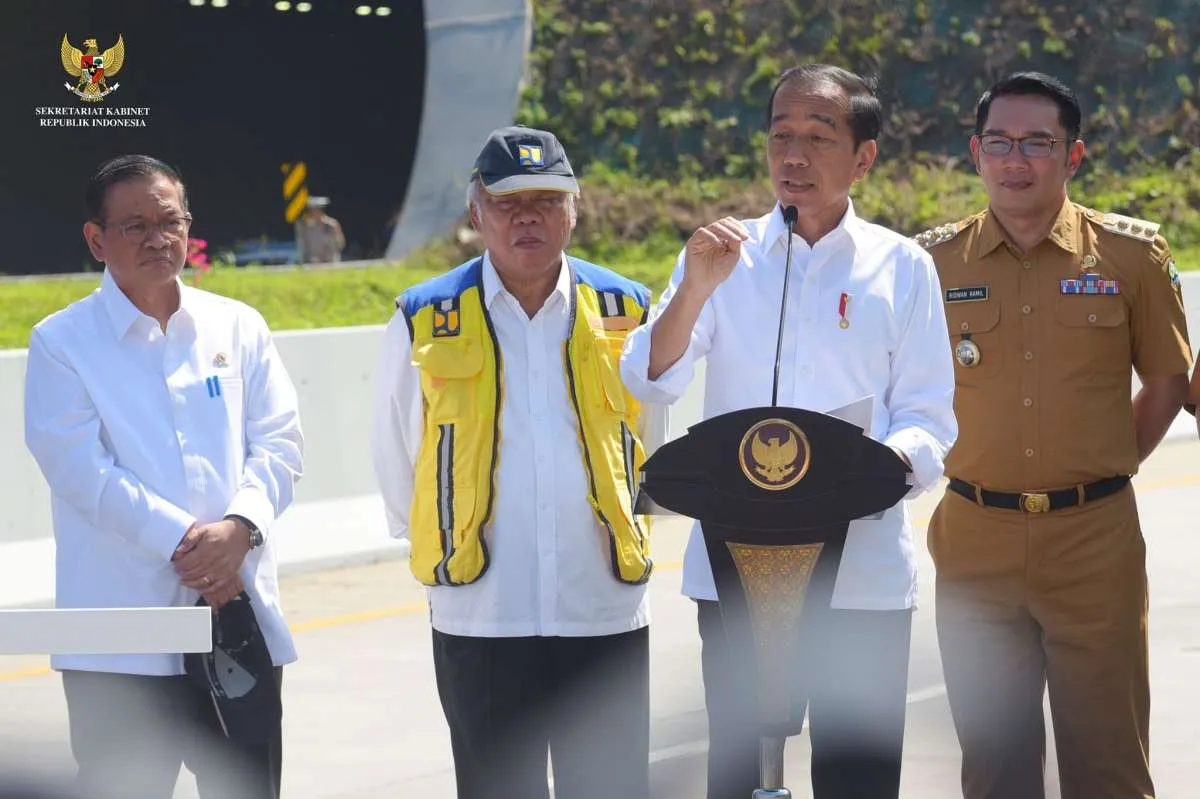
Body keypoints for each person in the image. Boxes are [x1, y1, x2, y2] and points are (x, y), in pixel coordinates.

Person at [620, 64, 958, 798]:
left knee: (858, 779)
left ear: (863, 157)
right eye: (781, 137)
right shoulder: (720, 253)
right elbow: (650, 378)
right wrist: (698, 289)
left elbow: (929, 417)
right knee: (736, 776)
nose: (793, 156)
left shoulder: (902, 268)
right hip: (739, 567)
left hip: (859, 575)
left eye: (817, 137)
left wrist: (863, 474)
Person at [915, 71, 1191, 799]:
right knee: (995, 768)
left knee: (1108, 764)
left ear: (1073, 156)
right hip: (975, 538)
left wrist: (1102, 471)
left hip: (1093, 543)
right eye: (1000, 142)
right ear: (975, 152)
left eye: (1038, 143)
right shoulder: (930, 265)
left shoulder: (1132, 257)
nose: (1016, 160)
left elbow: (1167, 380)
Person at [371, 125, 661, 799]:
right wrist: (442, 555)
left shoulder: (625, 308)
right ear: (476, 214)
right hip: (482, 608)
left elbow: (645, 439)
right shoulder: (424, 315)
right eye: (507, 201)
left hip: (602, 606)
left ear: (575, 208)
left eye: (546, 198)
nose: (526, 216)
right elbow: (396, 447)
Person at [23, 154, 304, 799]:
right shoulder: (61, 342)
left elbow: (280, 440)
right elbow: (78, 471)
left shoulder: (239, 325)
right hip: (117, 635)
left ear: (189, 227)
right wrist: (191, 544)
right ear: (96, 239)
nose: (157, 238)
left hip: (232, 614)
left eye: (169, 221)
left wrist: (242, 529)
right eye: (135, 226)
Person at [294, 195, 345, 264]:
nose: (312, 212)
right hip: (314, 261)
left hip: (330, 260)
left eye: (315, 210)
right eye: (311, 210)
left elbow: (340, 243)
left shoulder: (331, 224)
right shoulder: (308, 226)